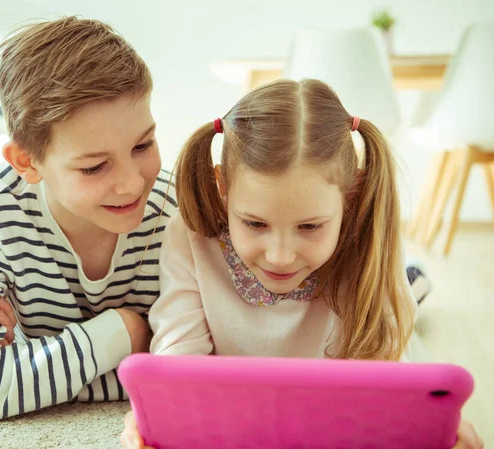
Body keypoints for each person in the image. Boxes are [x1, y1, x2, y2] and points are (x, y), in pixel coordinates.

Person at [120, 79, 482, 448]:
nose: (280, 256)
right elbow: (177, 361)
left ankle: (414, 281)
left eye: (309, 227)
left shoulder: (373, 239)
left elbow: (387, 377)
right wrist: (159, 412)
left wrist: (426, 424)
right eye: (255, 224)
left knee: (410, 307)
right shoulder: (189, 234)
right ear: (223, 188)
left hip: (373, 318)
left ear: (351, 196)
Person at [0, 16, 177, 424]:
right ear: (26, 162)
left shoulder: (177, 209)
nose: (133, 184)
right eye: (95, 167)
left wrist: (29, 364)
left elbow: (204, 372)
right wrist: (126, 332)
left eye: (143, 145)